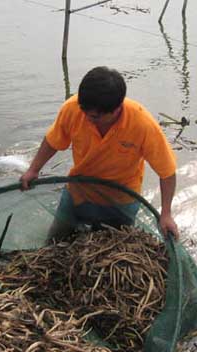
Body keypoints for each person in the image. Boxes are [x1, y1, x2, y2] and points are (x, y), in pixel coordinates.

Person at [19, 66, 179, 239]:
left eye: (95, 116)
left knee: (115, 247)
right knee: (56, 239)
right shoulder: (73, 109)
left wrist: (166, 214)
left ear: (117, 109)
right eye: (84, 112)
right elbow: (53, 141)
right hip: (79, 190)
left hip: (121, 199)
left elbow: (167, 172)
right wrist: (33, 170)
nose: (87, 118)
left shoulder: (142, 124)